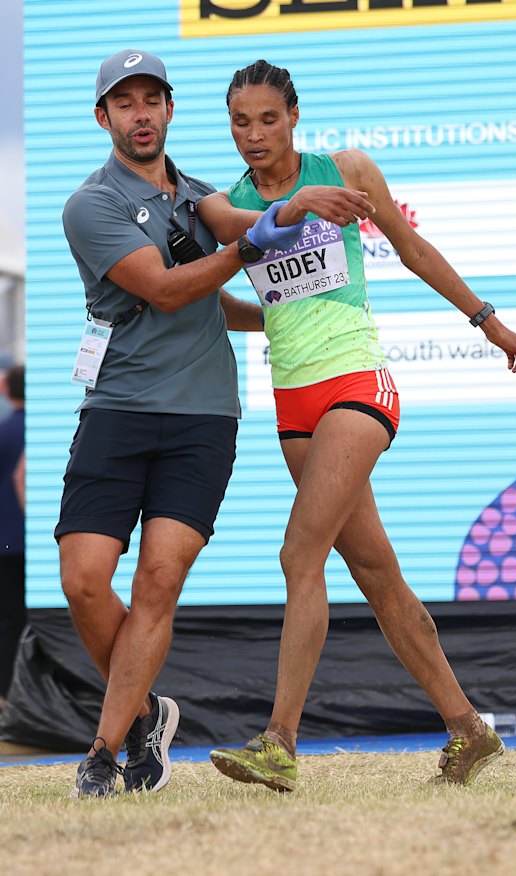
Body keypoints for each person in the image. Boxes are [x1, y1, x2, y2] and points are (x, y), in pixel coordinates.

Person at [197, 60, 516, 791]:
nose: (254, 134)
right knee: (377, 575)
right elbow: (218, 291)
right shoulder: (226, 205)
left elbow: (413, 251)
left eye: (268, 119)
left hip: (357, 383)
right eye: (240, 122)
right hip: (292, 402)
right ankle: (469, 729)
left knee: (299, 555)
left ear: (293, 117)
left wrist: (488, 322)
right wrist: (271, 314)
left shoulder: (346, 169)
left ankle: (279, 743)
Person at [57, 49, 371, 799]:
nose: (140, 115)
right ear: (103, 117)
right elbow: (168, 289)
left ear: (170, 110)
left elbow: (232, 259)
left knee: (158, 582)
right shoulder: (89, 205)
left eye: (151, 100)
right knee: (84, 582)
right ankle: (147, 714)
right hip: (116, 410)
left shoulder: (201, 198)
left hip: (203, 418)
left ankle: (104, 753)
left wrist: (287, 300)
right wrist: (255, 242)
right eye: (124, 103)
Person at [0, 364, 26, 710]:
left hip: (6, 541)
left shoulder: (4, 431)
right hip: (35, 540)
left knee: (9, 619)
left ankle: (8, 695)